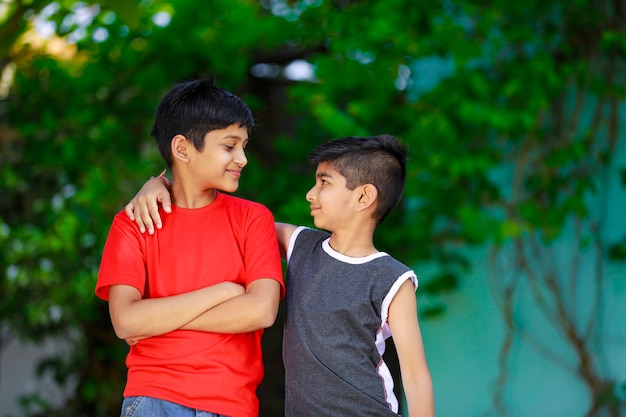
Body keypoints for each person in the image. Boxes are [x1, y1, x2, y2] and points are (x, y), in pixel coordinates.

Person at [126, 134, 434, 417]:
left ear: (364, 196)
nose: (311, 194)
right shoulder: (299, 244)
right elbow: (225, 222)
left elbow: (415, 375)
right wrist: (160, 186)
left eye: (324, 183)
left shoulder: (393, 279)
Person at [96, 78, 285, 417]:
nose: (242, 158)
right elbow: (125, 322)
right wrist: (224, 292)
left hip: (232, 405)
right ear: (182, 148)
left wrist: (155, 321)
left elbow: (261, 311)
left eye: (244, 146)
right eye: (229, 146)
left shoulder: (254, 219)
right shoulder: (132, 224)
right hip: (152, 400)